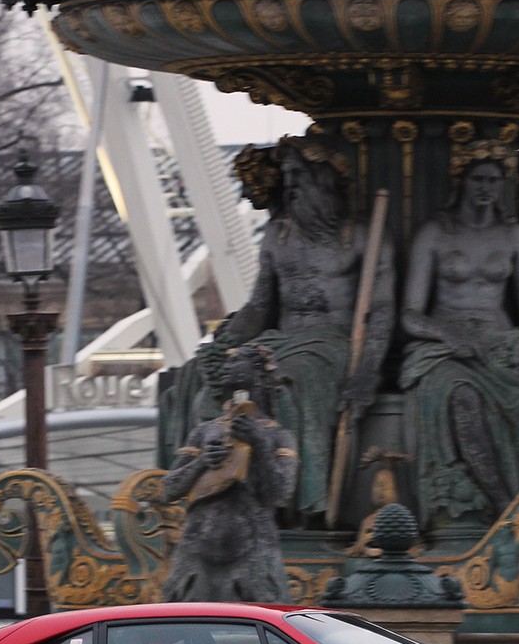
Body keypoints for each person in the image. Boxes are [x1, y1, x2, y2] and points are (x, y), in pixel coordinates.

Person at [162, 134, 395, 525]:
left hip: (329, 344)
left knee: (286, 384)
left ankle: (289, 508)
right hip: (279, 340)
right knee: (204, 384)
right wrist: (224, 345)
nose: (292, 189)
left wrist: (368, 370)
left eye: (300, 178)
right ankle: (214, 493)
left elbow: (383, 312)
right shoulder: (278, 235)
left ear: (324, 182)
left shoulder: (362, 237)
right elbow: (259, 306)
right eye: (288, 179)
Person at [398, 140, 519, 524]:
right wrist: (448, 336)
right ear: (462, 180)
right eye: (478, 179)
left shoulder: (514, 236)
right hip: (445, 345)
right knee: (461, 398)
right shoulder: (435, 234)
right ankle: (501, 503)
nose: (486, 188)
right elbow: (409, 314)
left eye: (494, 179)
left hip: (501, 343)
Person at [160, 345, 298, 602]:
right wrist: (202, 462)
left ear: (257, 372)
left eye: (236, 361)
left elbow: (280, 494)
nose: (227, 365)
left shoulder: (279, 436)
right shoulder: (203, 432)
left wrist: (259, 445)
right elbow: (169, 489)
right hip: (197, 555)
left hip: (251, 556)